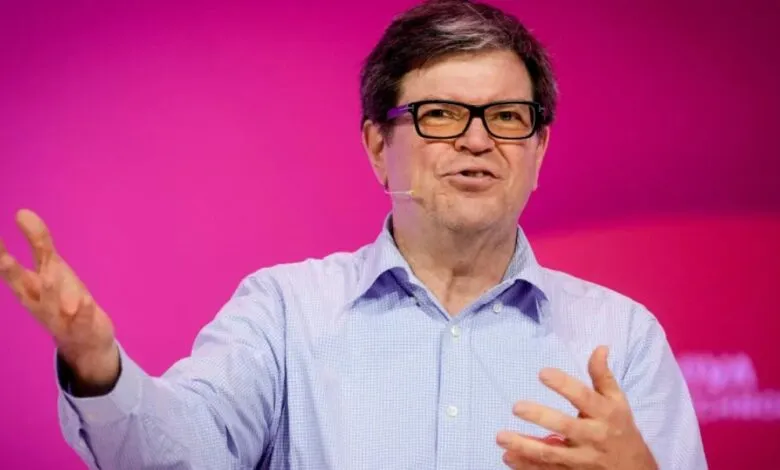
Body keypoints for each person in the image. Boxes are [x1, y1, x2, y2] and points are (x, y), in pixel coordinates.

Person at [0, 0, 708, 469]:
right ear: (377, 145)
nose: (477, 141)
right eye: (440, 114)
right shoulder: (286, 311)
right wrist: (99, 368)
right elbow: (186, 454)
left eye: (506, 118)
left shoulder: (620, 336)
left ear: (539, 149)